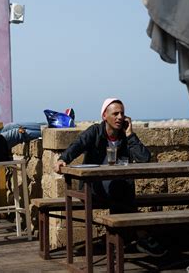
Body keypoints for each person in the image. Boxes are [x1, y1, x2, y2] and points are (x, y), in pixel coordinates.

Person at [54, 98, 167, 257]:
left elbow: (144, 159)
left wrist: (130, 134)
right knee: (121, 193)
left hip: (118, 190)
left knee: (120, 190)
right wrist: (63, 159)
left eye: (122, 113)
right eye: (115, 113)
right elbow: (78, 144)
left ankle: (124, 239)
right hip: (93, 189)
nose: (120, 117)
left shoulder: (125, 137)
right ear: (104, 116)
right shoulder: (95, 132)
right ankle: (141, 235)